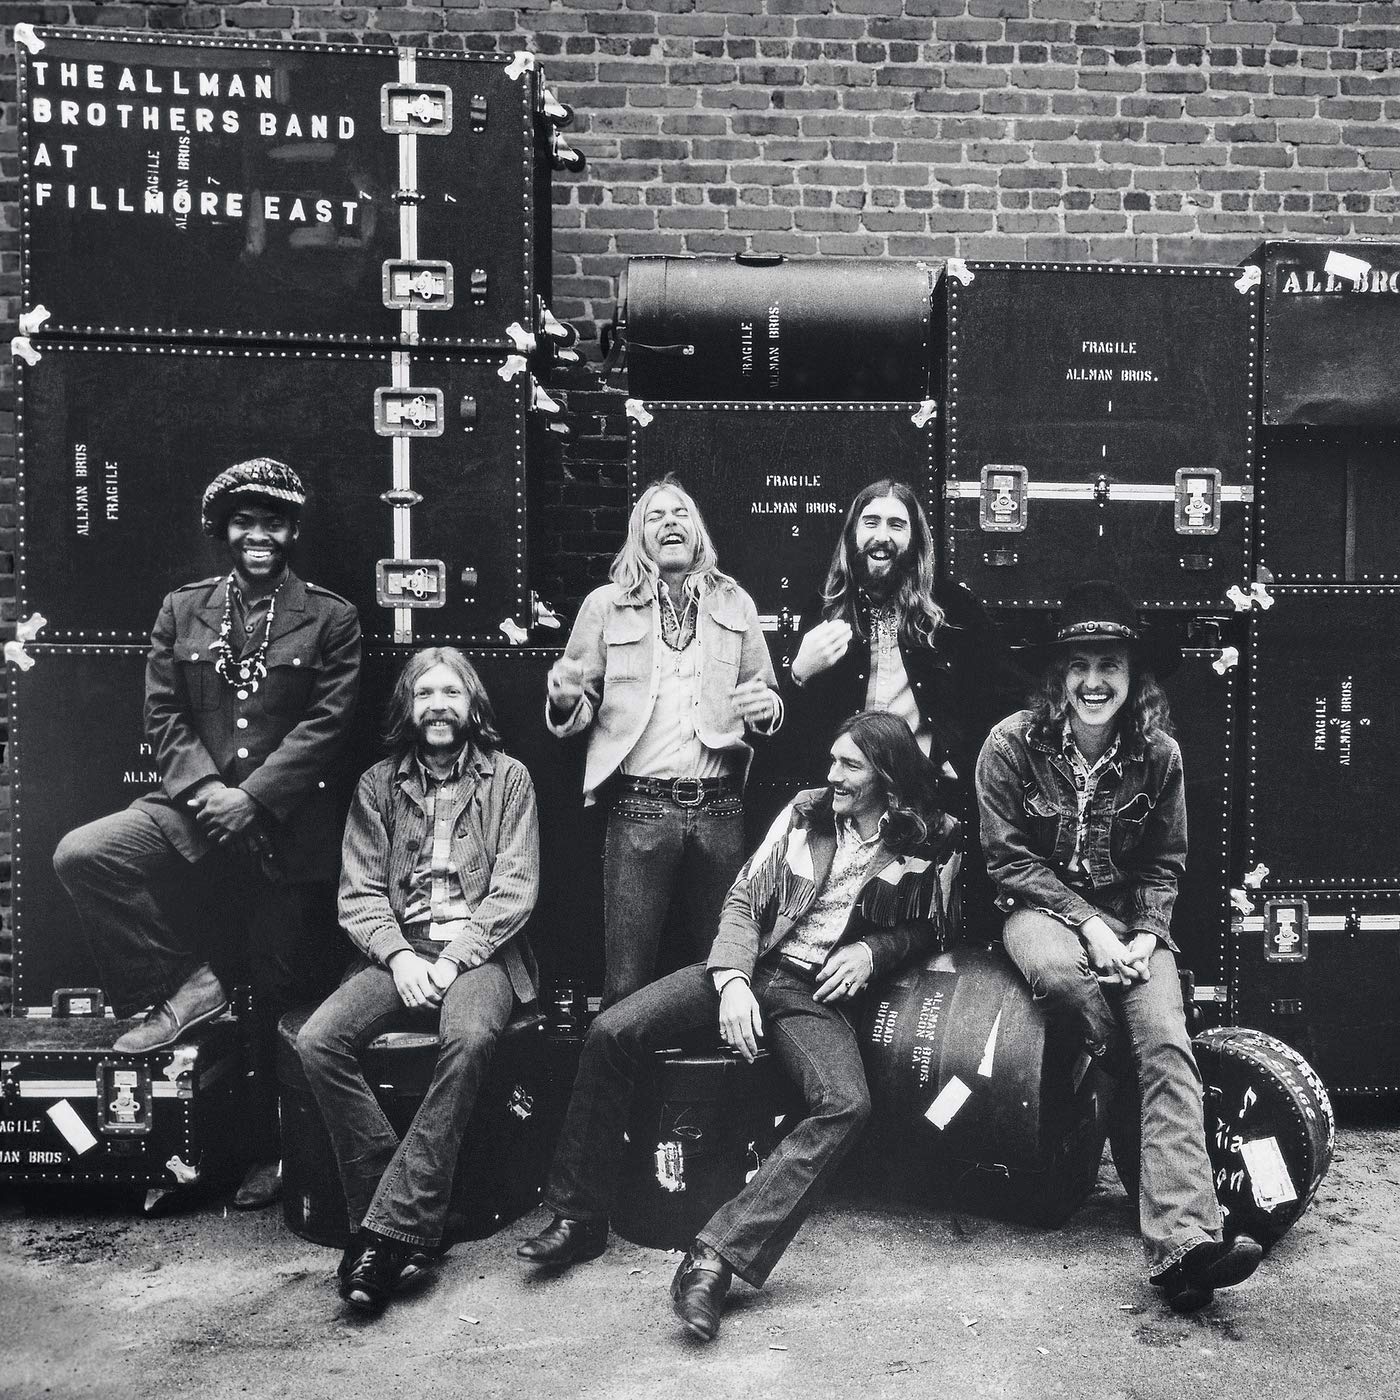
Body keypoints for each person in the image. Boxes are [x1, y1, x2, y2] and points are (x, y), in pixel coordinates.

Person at [517, 710, 960, 1343]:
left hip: (814, 993)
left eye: (849, 765)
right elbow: (745, 900)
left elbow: (937, 924)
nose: (832, 775)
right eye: (832, 760)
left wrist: (874, 951)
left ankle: (714, 1258)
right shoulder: (806, 814)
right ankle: (578, 1215)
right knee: (612, 1030)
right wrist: (730, 981)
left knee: (846, 1105)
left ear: (887, 777)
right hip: (750, 966)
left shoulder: (929, 836)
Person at [53, 458, 360, 1210]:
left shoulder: (331, 617)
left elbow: (327, 726)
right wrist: (211, 793)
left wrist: (253, 800)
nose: (258, 535)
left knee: (280, 995)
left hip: (286, 831)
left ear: (291, 532)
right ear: (223, 531)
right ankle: (184, 988)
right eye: (243, 522)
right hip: (191, 810)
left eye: (272, 522)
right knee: (85, 854)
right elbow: (163, 716)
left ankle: (280, 1151)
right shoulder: (182, 609)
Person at [974, 579, 1263, 1313]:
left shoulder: (1158, 754)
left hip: (1133, 921)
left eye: (1110, 665)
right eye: (1080, 665)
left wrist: (1146, 937)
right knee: (1062, 974)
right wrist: (1090, 925)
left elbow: (1164, 866)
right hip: (1037, 909)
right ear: (1058, 676)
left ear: (1134, 680)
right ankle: (1146, 1143)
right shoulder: (1010, 744)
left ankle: (1186, 1243)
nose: (1094, 681)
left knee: (1165, 1036)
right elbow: (1009, 863)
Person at [297, 648, 540, 1315]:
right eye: (425, 693)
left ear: (473, 705)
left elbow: (515, 889)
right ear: (407, 706)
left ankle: (378, 1236)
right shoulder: (377, 784)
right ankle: (399, 1219)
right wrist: (402, 959)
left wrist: (453, 959)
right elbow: (359, 893)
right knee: (318, 1041)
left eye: (451, 693)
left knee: (469, 1040)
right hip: (397, 951)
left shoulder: (509, 779)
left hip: (483, 954)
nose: (438, 705)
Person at [545, 475, 783, 1005]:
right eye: (656, 516)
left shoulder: (735, 602)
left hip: (721, 808)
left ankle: (716, 1060)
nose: (670, 523)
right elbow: (577, 709)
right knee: (627, 978)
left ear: (697, 531)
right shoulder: (605, 605)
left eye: (681, 514)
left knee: (724, 969)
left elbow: (765, 694)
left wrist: (767, 709)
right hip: (639, 807)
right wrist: (563, 700)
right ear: (639, 535)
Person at [786, 478, 1011, 799]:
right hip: (848, 793)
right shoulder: (824, 609)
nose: (882, 536)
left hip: (926, 792)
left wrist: (960, 760)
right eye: (871, 522)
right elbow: (797, 732)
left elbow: (996, 695)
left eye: (896, 525)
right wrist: (799, 673)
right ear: (853, 534)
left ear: (914, 539)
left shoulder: (954, 608)